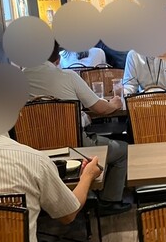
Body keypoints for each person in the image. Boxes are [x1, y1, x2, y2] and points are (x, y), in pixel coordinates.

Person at [23, 42, 131, 216]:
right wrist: (114, 103)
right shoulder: (68, 76)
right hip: (75, 148)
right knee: (123, 150)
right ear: (57, 59)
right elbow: (100, 109)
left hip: (34, 152)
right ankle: (109, 201)